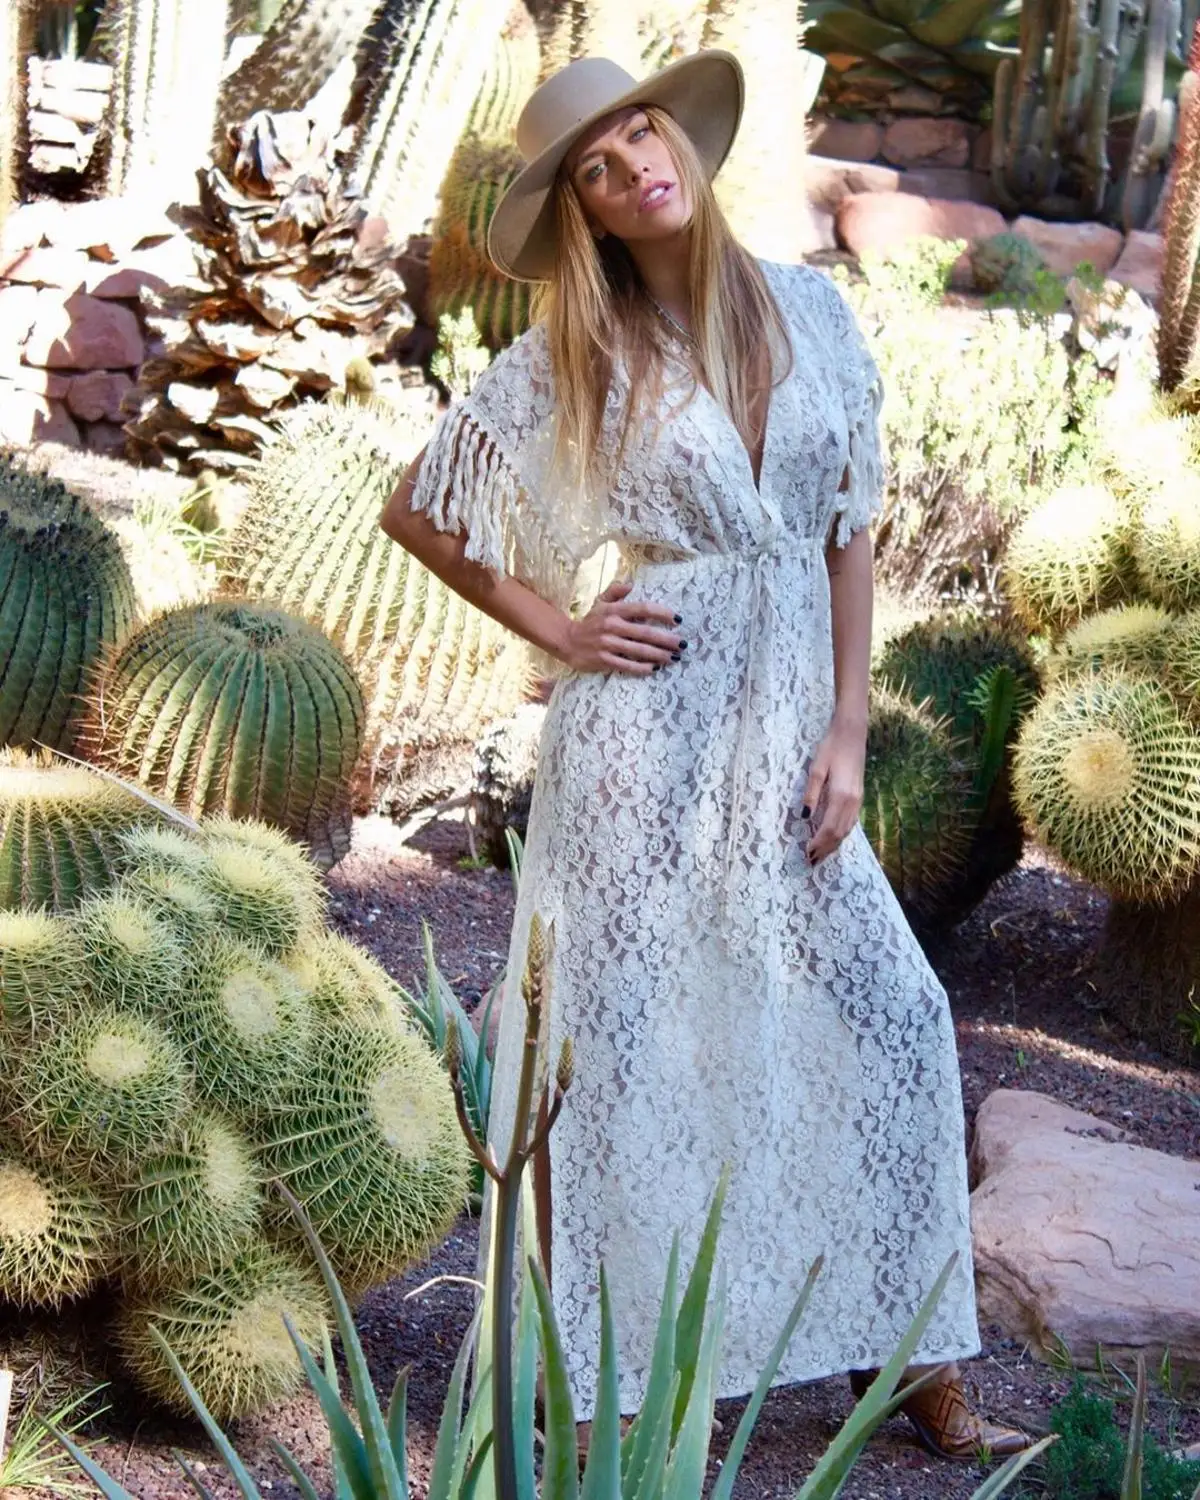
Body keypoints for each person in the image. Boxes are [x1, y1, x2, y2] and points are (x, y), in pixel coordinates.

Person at [380, 48, 1033, 1462]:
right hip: (642, 744)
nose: (631, 171)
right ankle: (597, 1377)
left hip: (791, 726)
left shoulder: (813, 312)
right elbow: (421, 511)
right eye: (597, 174)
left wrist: (851, 726)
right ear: (588, 217)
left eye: (636, 136)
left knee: (893, 1018)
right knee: (619, 1051)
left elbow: (851, 523)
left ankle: (920, 1366)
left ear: (679, 136)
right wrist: (562, 627)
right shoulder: (580, 352)